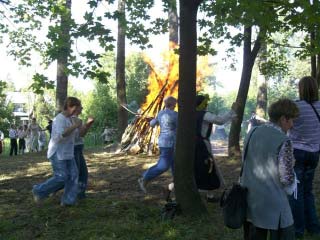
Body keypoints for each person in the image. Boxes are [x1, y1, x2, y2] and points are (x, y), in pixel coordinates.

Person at [241, 98, 299, 240]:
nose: (292, 124)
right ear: (283, 119)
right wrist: (292, 166)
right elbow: (286, 179)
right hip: (274, 203)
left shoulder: (252, 132)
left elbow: (246, 161)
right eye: (291, 120)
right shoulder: (284, 141)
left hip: (250, 199)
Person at [32, 97, 82, 206]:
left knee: (73, 175)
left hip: (68, 152)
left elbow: (78, 135)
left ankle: (68, 201)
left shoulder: (71, 119)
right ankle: (39, 191)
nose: (77, 111)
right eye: (76, 108)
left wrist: (83, 125)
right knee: (61, 177)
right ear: (69, 106)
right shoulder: (59, 119)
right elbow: (61, 135)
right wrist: (75, 126)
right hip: (57, 152)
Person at [288, 76, 320, 239]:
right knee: (308, 191)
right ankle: (314, 227)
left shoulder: (295, 107)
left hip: (297, 153)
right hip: (314, 154)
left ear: (301, 89)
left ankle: (298, 230)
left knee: (296, 192)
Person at [194, 94, 236, 202]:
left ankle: (200, 191)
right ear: (203, 104)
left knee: (198, 167)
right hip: (202, 145)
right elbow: (220, 120)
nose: (207, 105)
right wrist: (232, 111)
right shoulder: (204, 114)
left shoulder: (190, 114)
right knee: (208, 167)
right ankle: (210, 195)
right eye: (206, 103)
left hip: (192, 145)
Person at [138, 96, 178, 194]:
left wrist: (152, 120)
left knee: (175, 164)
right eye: (175, 103)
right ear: (173, 104)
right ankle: (144, 178)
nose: (176, 105)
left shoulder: (160, 113)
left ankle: (176, 184)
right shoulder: (176, 115)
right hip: (170, 142)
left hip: (163, 142)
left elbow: (152, 124)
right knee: (163, 166)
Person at [72, 104, 94, 199]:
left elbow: (82, 134)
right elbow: (78, 135)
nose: (82, 108)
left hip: (78, 148)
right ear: (74, 107)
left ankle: (80, 194)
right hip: (74, 148)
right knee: (78, 173)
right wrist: (87, 124)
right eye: (80, 106)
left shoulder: (77, 119)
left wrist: (88, 125)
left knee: (82, 173)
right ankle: (77, 195)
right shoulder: (73, 119)